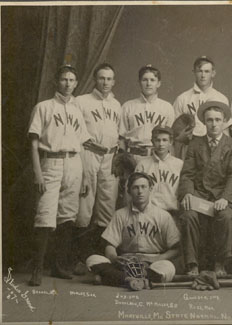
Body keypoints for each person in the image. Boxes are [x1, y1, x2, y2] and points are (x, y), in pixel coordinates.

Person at [27, 65, 91, 286]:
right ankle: (37, 268)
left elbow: (81, 146)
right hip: (51, 161)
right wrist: (37, 172)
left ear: (76, 83)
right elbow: (34, 143)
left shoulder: (76, 111)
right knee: (45, 214)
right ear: (57, 81)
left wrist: (83, 176)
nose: (68, 83)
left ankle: (59, 266)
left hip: (74, 163)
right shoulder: (43, 107)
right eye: (64, 79)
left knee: (67, 215)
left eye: (72, 80)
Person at [178, 101, 232, 276]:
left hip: (222, 196)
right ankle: (192, 264)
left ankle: (220, 263)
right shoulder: (195, 144)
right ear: (204, 122)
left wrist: (226, 198)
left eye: (217, 120)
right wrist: (187, 194)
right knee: (188, 214)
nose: (214, 124)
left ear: (224, 122)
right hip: (199, 195)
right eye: (209, 120)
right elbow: (187, 174)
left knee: (226, 216)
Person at [86, 172, 180, 290]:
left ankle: (113, 278)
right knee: (92, 260)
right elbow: (110, 245)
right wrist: (114, 259)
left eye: (143, 187)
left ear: (150, 189)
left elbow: (176, 248)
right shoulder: (120, 214)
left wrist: (156, 259)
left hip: (151, 262)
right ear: (129, 191)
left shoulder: (163, 216)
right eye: (135, 187)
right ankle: (132, 280)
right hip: (125, 260)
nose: (140, 191)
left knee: (168, 268)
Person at [74, 63, 122, 274]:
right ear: (95, 79)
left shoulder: (116, 104)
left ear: (114, 81)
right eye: (102, 78)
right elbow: (75, 133)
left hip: (110, 156)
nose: (105, 83)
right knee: (84, 208)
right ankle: (78, 258)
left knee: (106, 209)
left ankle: (98, 258)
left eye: (109, 79)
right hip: (89, 153)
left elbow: (119, 134)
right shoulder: (81, 101)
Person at [173, 56, 231, 159]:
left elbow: (225, 129)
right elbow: (175, 131)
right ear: (194, 72)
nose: (203, 75)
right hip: (189, 147)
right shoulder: (182, 98)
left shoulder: (221, 98)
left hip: (214, 148)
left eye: (207, 71)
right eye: (200, 71)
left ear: (213, 73)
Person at [119, 65, 175, 163]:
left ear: (158, 83)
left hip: (158, 157)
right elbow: (121, 138)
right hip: (134, 157)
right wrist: (123, 159)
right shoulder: (128, 106)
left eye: (152, 80)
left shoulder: (167, 107)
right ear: (139, 82)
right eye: (145, 80)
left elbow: (171, 139)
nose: (148, 84)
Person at [134, 125, 183, 214]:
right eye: (157, 140)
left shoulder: (179, 164)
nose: (161, 144)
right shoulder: (143, 164)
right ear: (152, 142)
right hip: (148, 213)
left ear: (171, 142)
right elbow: (135, 193)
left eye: (165, 140)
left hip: (172, 213)